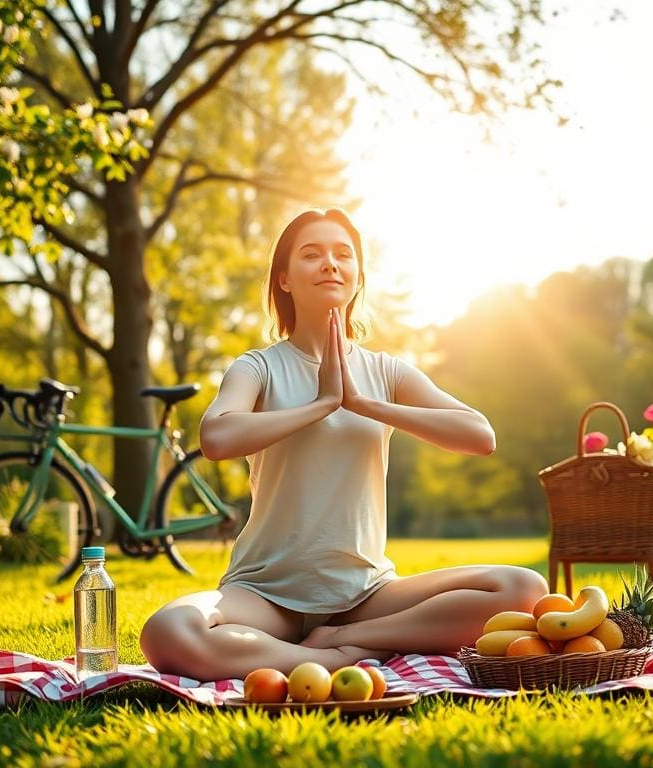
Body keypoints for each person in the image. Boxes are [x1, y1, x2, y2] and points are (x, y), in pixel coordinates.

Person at [139, 208, 548, 681]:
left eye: (342, 255)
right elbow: (216, 436)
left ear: (357, 278)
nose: (330, 264)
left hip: (366, 595)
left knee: (522, 589)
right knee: (169, 631)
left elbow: (480, 435)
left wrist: (364, 403)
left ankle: (341, 641)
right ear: (285, 279)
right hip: (266, 595)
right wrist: (322, 403)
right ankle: (333, 661)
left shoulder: (387, 371)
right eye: (311, 255)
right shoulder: (258, 367)